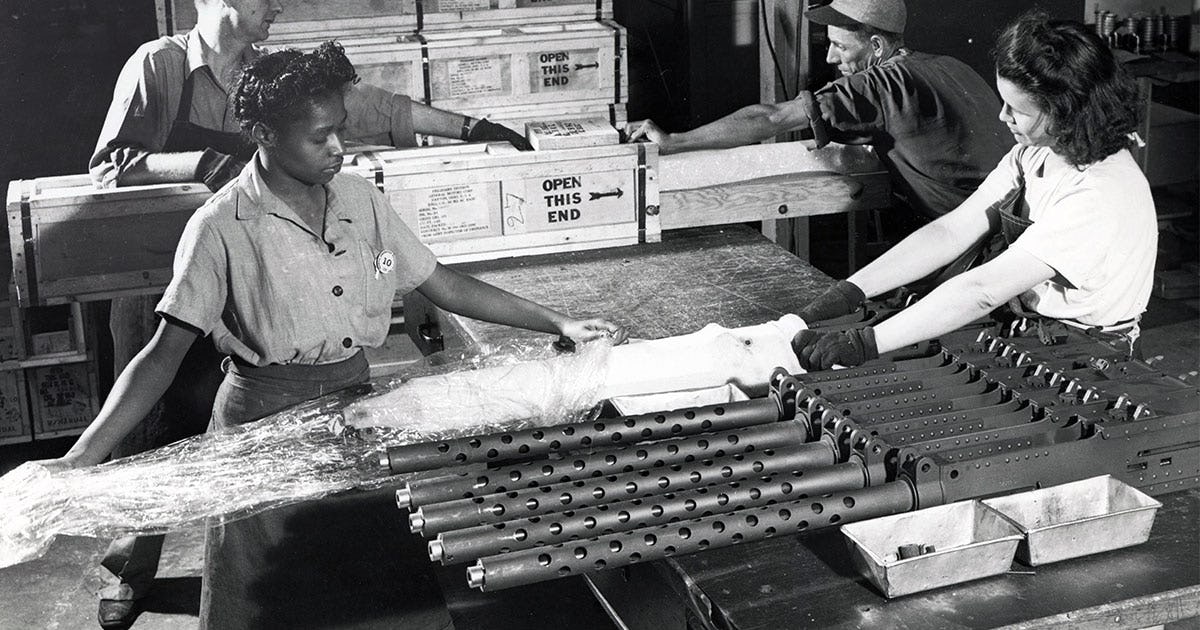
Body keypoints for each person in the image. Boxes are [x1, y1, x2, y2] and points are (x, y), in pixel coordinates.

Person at [55, 41, 624, 630]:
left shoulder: (360, 198)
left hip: (355, 417)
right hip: (263, 434)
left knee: (378, 599)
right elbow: (160, 358)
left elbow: (443, 283)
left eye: (341, 131)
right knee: (268, 603)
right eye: (319, 136)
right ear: (265, 135)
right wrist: (83, 456)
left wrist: (556, 321)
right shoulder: (221, 227)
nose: (338, 149)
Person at [791, 12, 1155, 370]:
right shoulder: (1033, 153)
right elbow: (951, 230)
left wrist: (865, 344)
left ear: (1063, 110)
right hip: (1035, 326)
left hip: (1092, 355)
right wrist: (848, 292)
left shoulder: (1097, 193)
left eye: (1017, 110)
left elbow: (982, 291)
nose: (1003, 117)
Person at [624, 0, 1013, 223]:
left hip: (972, 240)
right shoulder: (952, 65)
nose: (829, 57)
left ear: (876, 47)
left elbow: (773, 117)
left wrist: (675, 141)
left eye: (841, 48)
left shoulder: (878, 85)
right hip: (1015, 220)